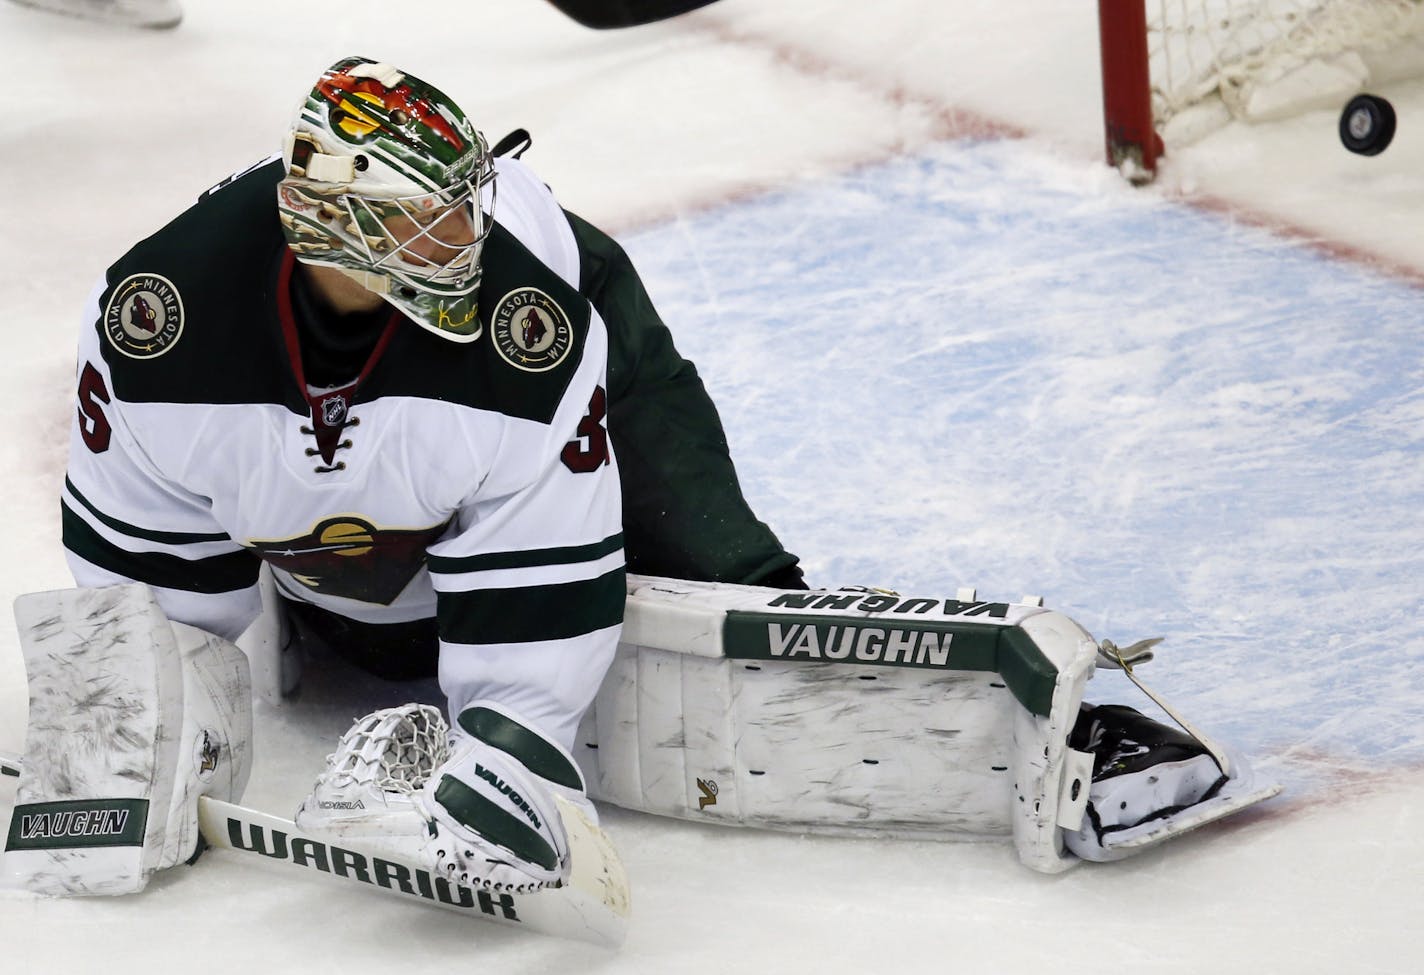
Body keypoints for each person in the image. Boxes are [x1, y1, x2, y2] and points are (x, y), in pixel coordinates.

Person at [60, 54, 800, 892]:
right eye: (431, 216)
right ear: (339, 227)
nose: (466, 233)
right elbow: (147, 563)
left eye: (463, 204)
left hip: (578, 303)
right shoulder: (156, 324)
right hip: (332, 434)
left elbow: (538, 579)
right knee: (378, 631)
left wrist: (517, 740)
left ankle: (765, 587)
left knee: (681, 517)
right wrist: (141, 707)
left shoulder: (530, 325)